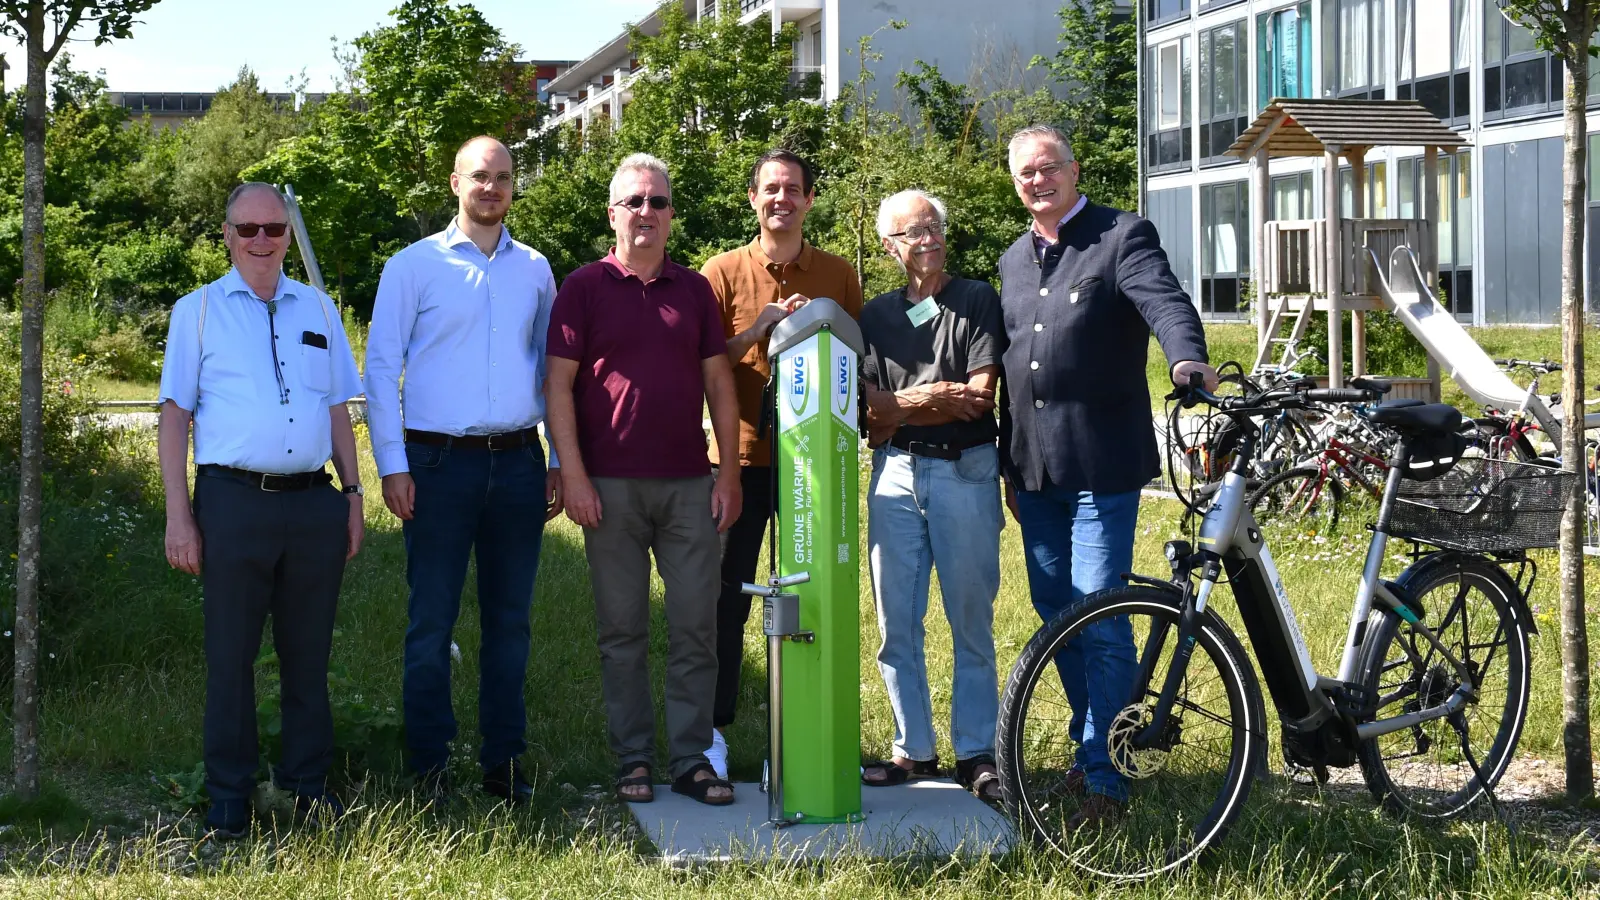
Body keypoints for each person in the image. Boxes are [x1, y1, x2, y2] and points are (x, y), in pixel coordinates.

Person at [997, 125, 1218, 828]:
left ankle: (1105, 776)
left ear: (1074, 168)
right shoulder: (1011, 260)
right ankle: (1093, 743)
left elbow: (1165, 303)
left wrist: (1187, 359)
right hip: (1035, 472)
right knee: (1056, 615)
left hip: (1102, 467)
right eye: (1025, 174)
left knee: (1099, 613)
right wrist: (1008, 459)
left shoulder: (1121, 236)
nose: (1038, 181)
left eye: (1048, 168)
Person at [157, 182, 365, 839]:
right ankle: (228, 796)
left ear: (286, 233)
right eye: (247, 229)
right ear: (226, 234)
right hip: (231, 503)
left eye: (274, 228)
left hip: (312, 505)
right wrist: (177, 516)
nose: (262, 241)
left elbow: (336, 409)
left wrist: (354, 498)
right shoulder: (196, 312)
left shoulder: (320, 308)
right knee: (231, 657)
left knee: (308, 658)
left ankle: (306, 787)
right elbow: (174, 418)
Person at [365, 136, 561, 806]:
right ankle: (429, 768)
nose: (492, 188)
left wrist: (557, 459)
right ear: (455, 183)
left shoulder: (535, 269)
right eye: (480, 176)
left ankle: (502, 763)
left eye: (503, 178)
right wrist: (392, 465)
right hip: (435, 464)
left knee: (510, 624)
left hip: (516, 464)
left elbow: (549, 370)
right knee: (431, 623)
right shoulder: (412, 266)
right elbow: (380, 367)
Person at [545, 153, 743, 806]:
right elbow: (559, 387)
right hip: (609, 488)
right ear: (612, 213)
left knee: (696, 627)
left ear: (672, 217)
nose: (647, 213)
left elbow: (719, 380)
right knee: (622, 631)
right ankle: (633, 759)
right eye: (634, 201)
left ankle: (690, 759)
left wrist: (728, 474)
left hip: (689, 485)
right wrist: (573, 476)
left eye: (658, 202)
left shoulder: (693, 290)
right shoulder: (583, 287)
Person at [699, 149, 863, 778]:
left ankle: (797, 736)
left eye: (793, 189)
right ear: (752, 199)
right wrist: (758, 332)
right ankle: (712, 735)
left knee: (809, 601)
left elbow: (854, 360)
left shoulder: (839, 275)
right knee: (726, 603)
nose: (782, 200)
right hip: (737, 463)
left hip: (814, 470)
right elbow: (704, 364)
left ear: (810, 200)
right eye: (771, 189)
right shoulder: (720, 272)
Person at [858, 190, 1004, 801]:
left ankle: (976, 751)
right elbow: (870, 416)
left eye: (934, 226)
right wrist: (931, 398)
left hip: (965, 471)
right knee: (898, 620)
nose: (928, 238)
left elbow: (980, 395)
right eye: (913, 232)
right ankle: (912, 748)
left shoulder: (975, 299)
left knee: (970, 619)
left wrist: (902, 407)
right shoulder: (876, 315)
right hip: (893, 474)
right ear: (891, 247)